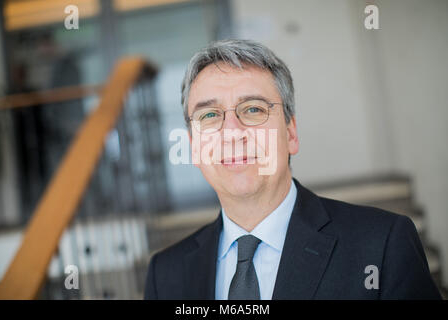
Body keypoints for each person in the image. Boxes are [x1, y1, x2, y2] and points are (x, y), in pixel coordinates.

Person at [144, 39, 441, 300]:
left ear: (291, 133)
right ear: (194, 148)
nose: (231, 132)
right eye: (209, 115)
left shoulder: (381, 245)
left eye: (253, 109)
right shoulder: (165, 274)